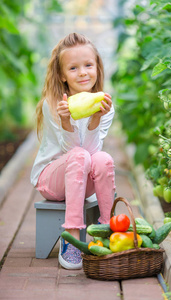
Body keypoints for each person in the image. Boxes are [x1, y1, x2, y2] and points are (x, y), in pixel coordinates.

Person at [30, 33, 116, 270]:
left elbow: (91, 154)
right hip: (52, 179)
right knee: (79, 155)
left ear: (97, 67)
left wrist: (95, 119)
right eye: (73, 68)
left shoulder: (104, 106)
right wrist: (66, 123)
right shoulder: (54, 103)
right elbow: (75, 153)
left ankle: (106, 231)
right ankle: (71, 236)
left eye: (88, 65)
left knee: (103, 158)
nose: (83, 73)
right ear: (62, 75)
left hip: (81, 176)